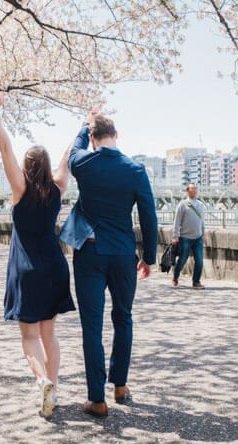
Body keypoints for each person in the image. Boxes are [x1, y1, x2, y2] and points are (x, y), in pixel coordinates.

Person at [59, 108, 158, 418]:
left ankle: (95, 398)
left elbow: (74, 150)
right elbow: (148, 216)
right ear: (117, 136)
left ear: (93, 138)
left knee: (92, 325)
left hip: (89, 253)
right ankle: (120, 386)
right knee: (123, 317)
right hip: (122, 254)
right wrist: (149, 257)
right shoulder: (136, 170)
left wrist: (83, 123)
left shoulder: (84, 163)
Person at [0, 93, 76, 417]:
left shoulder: (19, 188)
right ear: (47, 165)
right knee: (49, 333)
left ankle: (42, 382)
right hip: (54, 266)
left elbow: (5, 148)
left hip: (27, 268)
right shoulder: (58, 188)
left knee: (29, 336)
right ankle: (53, 384)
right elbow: (67, 157)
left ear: (26, 167)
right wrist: (83, 127)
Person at [171, 182, 206, 289]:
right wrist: (175, 236)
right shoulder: (182, 204)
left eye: (196, 189)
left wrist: (203, 234)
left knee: (199, 261)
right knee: (182, 260)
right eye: (192, 189)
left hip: (198, 237)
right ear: (187, 191)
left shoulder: (200, 205)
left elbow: (202, 221)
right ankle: (175, 277)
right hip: (185, 237)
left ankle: (196, 282)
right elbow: (177, 221)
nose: (194, 191)